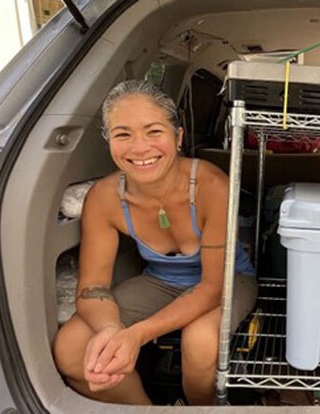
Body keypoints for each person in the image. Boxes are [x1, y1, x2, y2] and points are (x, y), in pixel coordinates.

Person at [53, 80, 257, 405]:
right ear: (108, 142)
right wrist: (109, 329)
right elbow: (92, 286)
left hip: (227, 281)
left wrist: (136, 334)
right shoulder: (104, 198)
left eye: (153, 132)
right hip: (160, 281)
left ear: (177, 137)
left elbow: (211, 287)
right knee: (71, 346)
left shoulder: (212, 186)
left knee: (201, 340)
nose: (140, 148)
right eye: (123, 135)